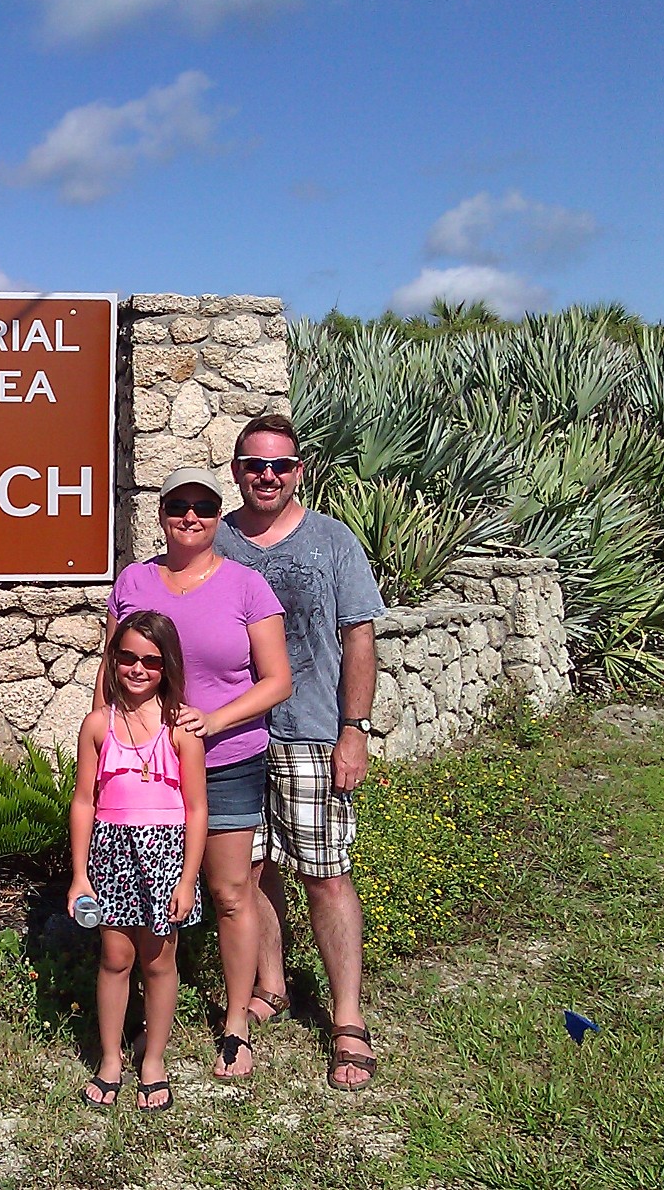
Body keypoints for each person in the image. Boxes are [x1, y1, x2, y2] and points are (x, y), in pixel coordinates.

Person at [98, 469, 292, 1079]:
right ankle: (132, 1020)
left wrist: (214, 718)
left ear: (218, 515)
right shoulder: (133, 580)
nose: (191, 516)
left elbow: (277, 679)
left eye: (204, 507)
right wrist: (102, 742)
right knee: (133, 903)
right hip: (145, 773)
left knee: (231, 893)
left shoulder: (247, 586)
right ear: (161, 514)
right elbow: (113, 669)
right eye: (178, 505)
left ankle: (236, 1025)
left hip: (227, 760)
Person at [215, 414, 387, 1091]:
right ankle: (272, 984)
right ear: (236, 470)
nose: (267, 475)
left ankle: (347, 1018)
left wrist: (355, 729)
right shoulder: (216, 535)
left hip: (312, 729)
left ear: (299, 472)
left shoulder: (332, 541)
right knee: (251, 870)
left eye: (280, 466)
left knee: (324, 872)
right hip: (233, 734)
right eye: (255, 464)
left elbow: (359, 638)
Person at [69, 610, 207, 1111]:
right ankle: (110, 1058)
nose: (138, 668)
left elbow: (196, 810)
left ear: (166, 666)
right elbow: (84, 801)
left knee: (159, 960)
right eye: (127, 657)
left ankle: (153, 1057)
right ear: (114, 660)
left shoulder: (182, 729)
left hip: (166, 856)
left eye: (151, 660)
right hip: (110, 854)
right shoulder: (97, 726)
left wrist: (189, 878)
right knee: (115, 957)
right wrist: (79, 875)